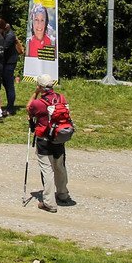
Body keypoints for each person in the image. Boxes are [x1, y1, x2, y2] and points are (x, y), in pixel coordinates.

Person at [27, 75, 76, 211]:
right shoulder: (61, 98)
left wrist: (35, 93)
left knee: (47, 169)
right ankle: (63, 194)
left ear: (40, 86)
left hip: (44, 139)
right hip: (59, 137)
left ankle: (49, 202)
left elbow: (29, 108)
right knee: (60, 166)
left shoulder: (38, 103)